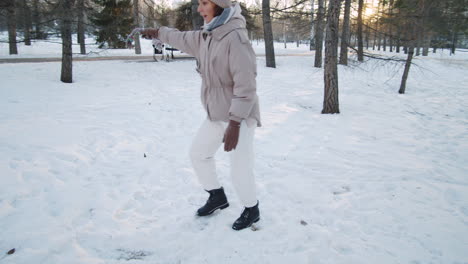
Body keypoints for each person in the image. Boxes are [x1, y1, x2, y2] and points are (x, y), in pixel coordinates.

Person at [140, 0, 261, 231]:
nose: (199, 9)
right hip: (216, 112)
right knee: (198, 154)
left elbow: (246, 86)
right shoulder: (208, 35)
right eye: (199, 3)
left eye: (205, 3)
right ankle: (217, 197)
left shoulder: (235, 38)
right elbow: (182, 38)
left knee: (239, 168)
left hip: (240, 116)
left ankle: (251, 209)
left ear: (220, 5)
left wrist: (235, 123)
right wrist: (158, 32)